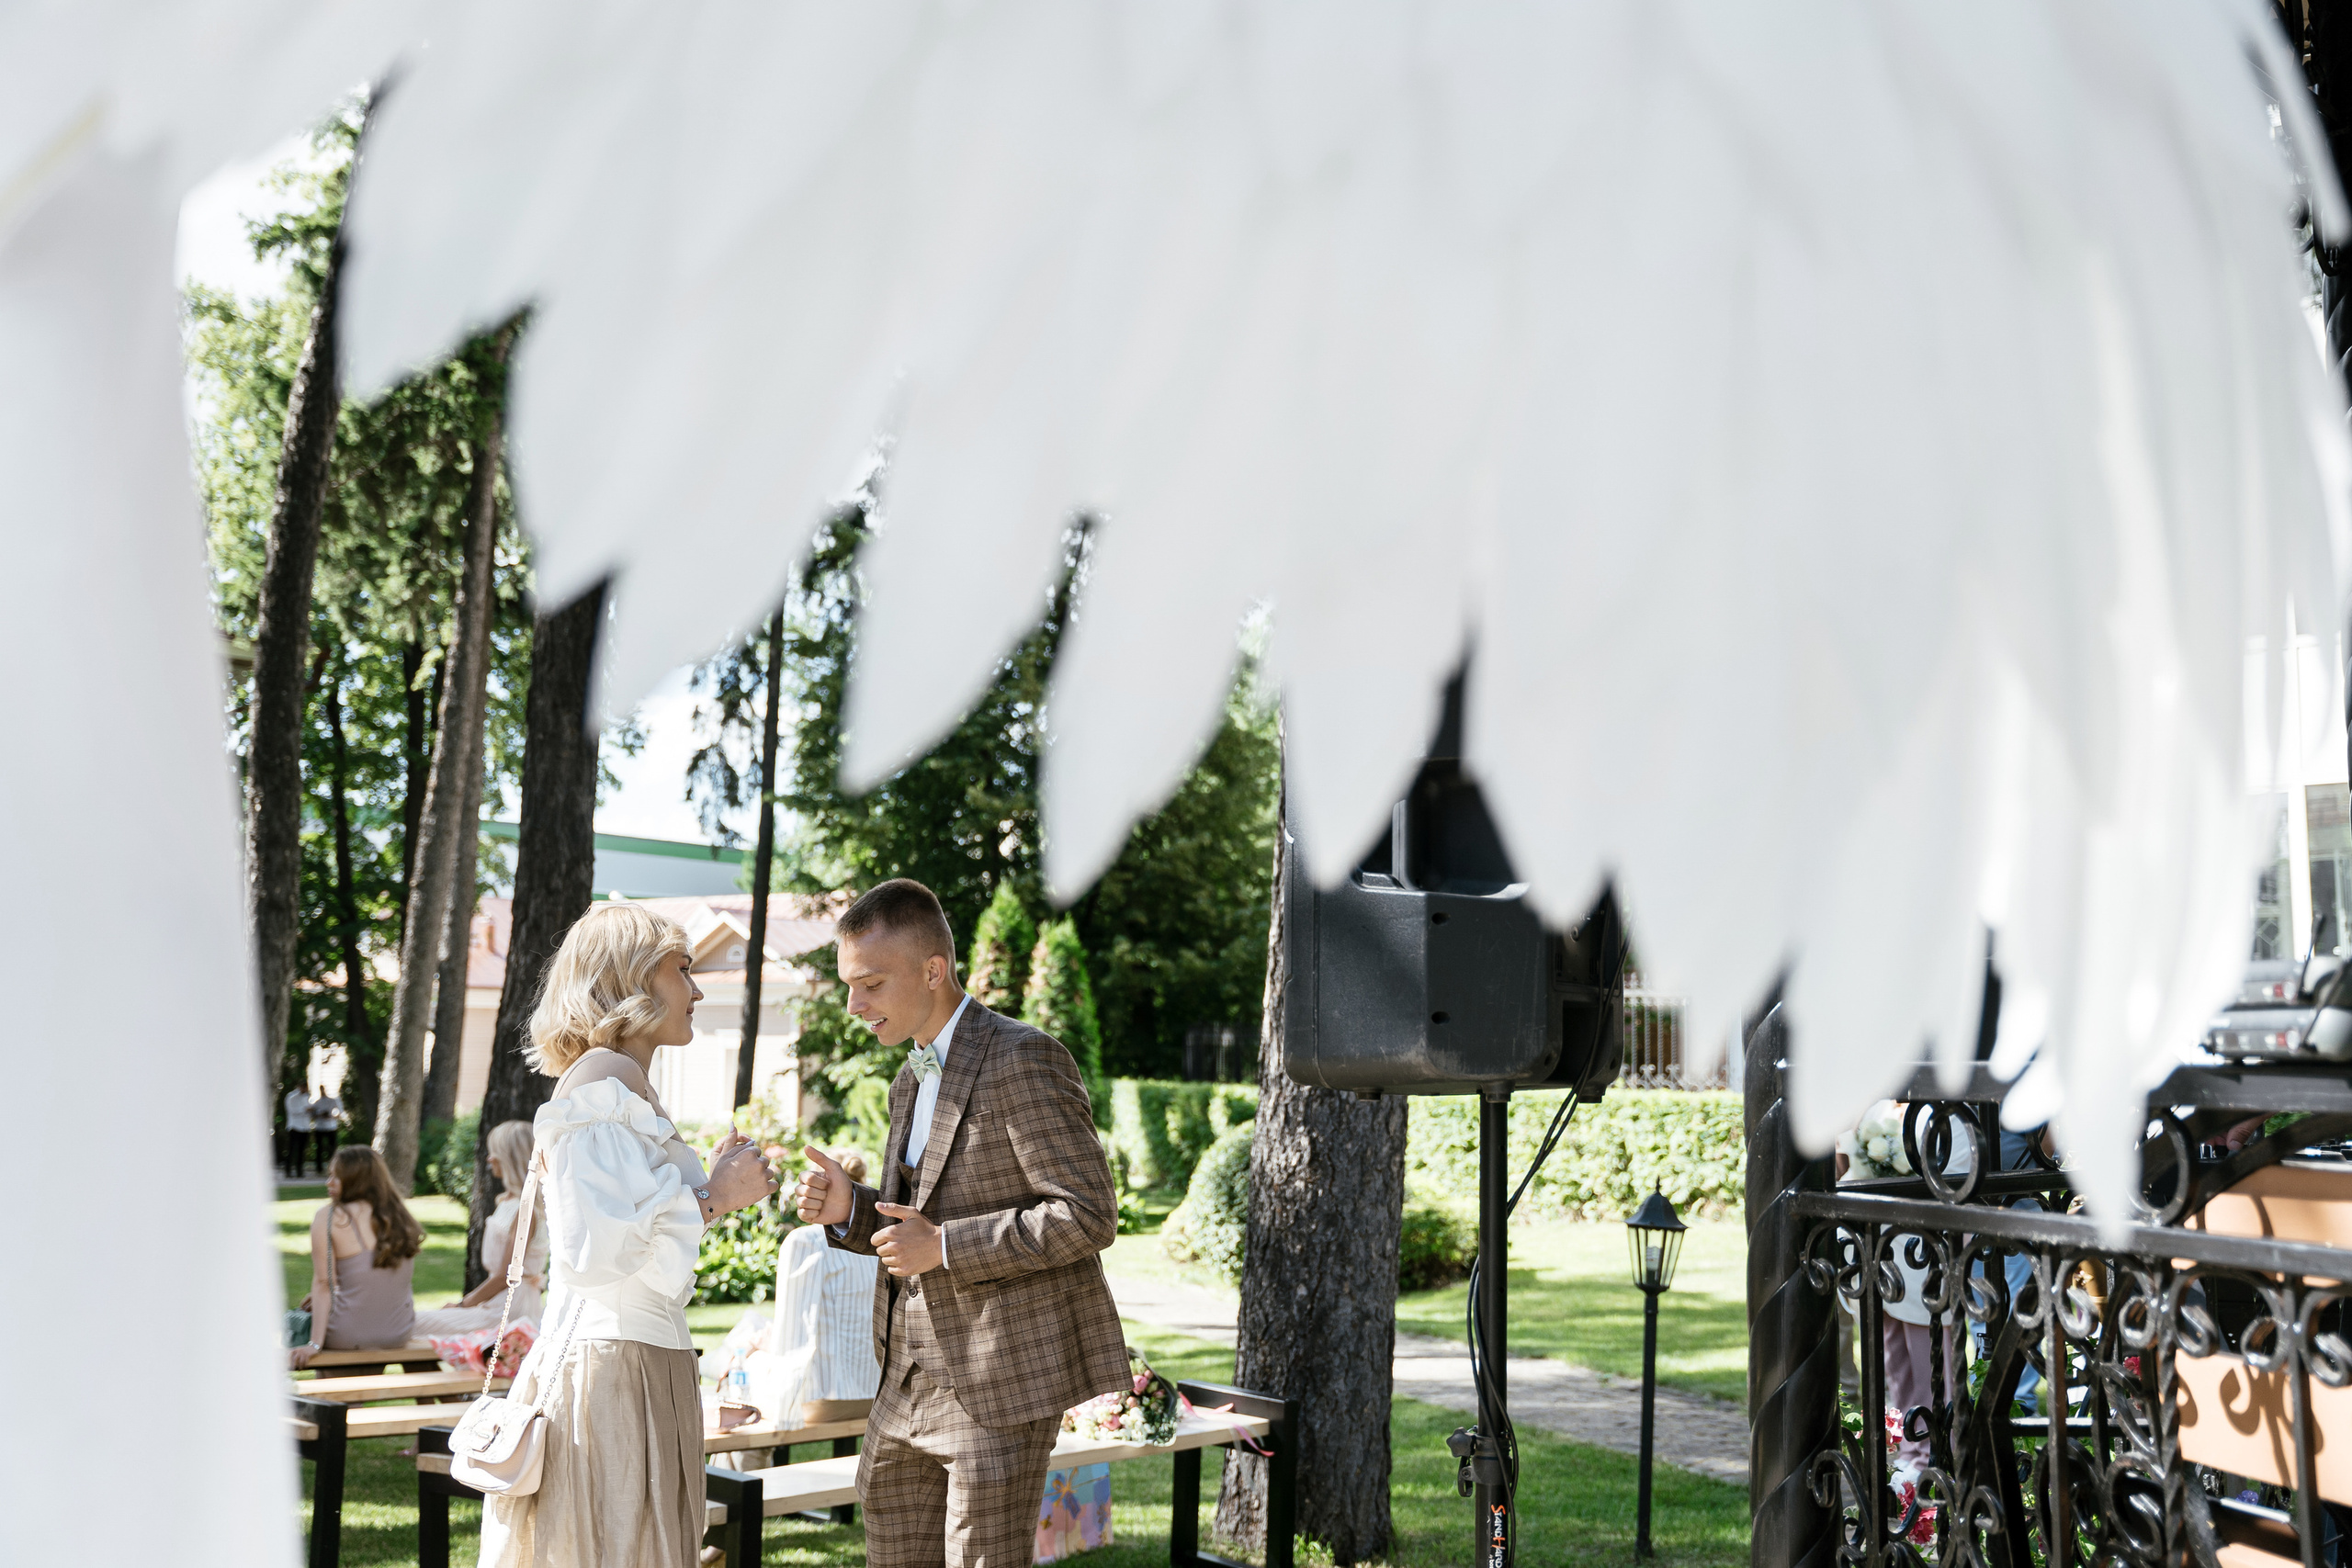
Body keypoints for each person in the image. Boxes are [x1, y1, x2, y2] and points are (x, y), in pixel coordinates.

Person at [794, 878, 1126, 1568]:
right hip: (902, 1383)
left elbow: (1087, 1212)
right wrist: (849, 1209)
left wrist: (945, 1246)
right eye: (849, 986)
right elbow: (913, 1221)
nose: (855, 1006)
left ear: (934, 970)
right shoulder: (909, 1077)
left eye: (871, 984)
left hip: (996, 1383)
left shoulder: (1023, 1056)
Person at [477, 902, 778, 1568]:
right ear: (633, 977)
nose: (698, 990)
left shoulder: (624, 1084)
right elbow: (598, 1250)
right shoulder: (598, 1085)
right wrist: (714, 1193)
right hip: (609, 1368)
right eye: (684, 969)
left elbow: (636, 1235)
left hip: (644, 1361)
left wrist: (715, 1191)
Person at [764, 1148, 882, 1421]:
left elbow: (792, 1335)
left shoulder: (806, 1241)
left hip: (823, 1396)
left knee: (736, 1374)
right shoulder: (882, 1239)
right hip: (877, 1391)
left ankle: (731, 1463)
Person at [289, 1145, 426, 1370]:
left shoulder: (330, 1216)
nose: (329, 1182)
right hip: (397, 1332)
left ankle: (339, 1402)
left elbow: (324, 1283)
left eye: (337, 1177)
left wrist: (314, 1344)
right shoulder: (398, 1215)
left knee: (329, 1385)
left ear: (357, 1180)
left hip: (348, 1334)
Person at [412, 1120, 548, 1336]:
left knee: (413, 1324)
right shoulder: (509, 1203)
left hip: (510, 1308)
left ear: (510, 1160)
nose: (489, 1158)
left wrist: (463, 1305)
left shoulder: (525, 1210)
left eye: (495, 1152)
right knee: (408, 1324)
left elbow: (506, 1275)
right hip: (498, 1302)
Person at [281, 1086, 314, 1178]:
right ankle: (288, 1170)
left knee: (301, 1151)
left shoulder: (307, 1097)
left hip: (305, 1127)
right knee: (291, 1150)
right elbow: (292, 1111)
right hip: (295, 1126)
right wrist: (305, 1109)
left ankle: (299, 1171)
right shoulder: (292, 1096)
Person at [309, 1087, 343, 1174]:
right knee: (319, 1148)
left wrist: (331, 1116)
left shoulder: (332, 1101)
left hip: (331, 1127)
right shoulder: (317, 1102)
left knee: (332, 1148)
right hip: (319, 1127)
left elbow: (340, 1112)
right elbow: (312, 1115)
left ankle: (334, 1166)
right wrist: (319, 1115)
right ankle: (319, 1168)